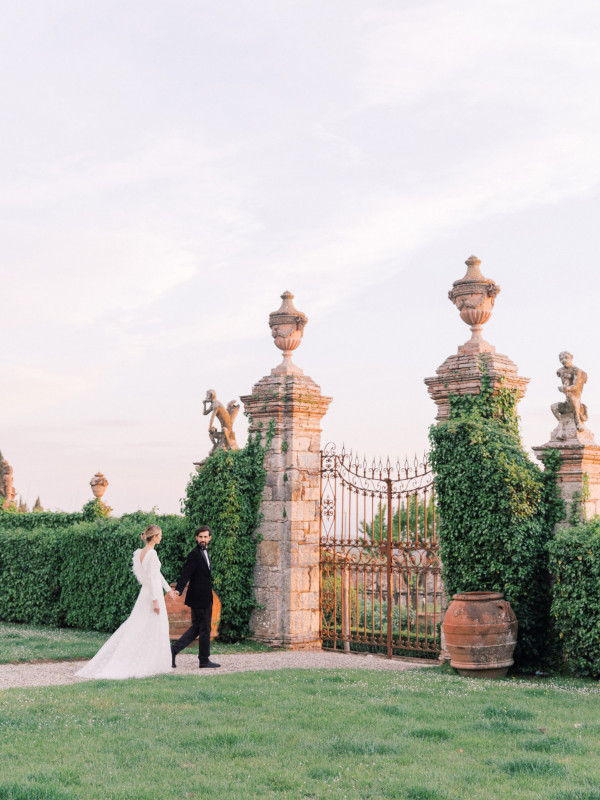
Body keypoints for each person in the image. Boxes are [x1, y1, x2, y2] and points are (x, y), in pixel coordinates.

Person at [75, 524, 177, 680]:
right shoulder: (152, 553)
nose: (161, 537)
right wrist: (156, 600)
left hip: (148, 593)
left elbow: (157, 575)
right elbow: (150, 578)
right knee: (150, 626)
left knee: (143, 626)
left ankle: (154, 662)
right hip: (151, 595)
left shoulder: (142, 552)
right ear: (154, 536)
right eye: (160, 535)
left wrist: (168, 590)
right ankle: (146, 662)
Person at [171, 525, 220, 669]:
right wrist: (178, 590)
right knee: (204, 628)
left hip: (204, 595)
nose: (203, 539)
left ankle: (173, 650)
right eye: (200, 537)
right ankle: (204, 661)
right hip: (199, 598)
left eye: (205, 537)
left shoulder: (205, 553)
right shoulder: (194, 554)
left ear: (209, 538)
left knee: (197, 628)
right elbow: (186, 573)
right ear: (196, 538)